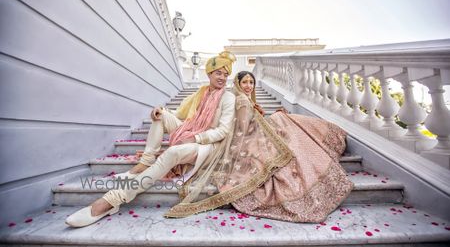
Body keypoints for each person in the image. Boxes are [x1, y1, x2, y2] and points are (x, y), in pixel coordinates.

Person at [65, 51, 237, 227]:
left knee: (173, 152)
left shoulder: (228, 97)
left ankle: (112, 200)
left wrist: (196, 137)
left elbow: (223, 130)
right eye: (218, 73)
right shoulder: (201, 93)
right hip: (191, 132)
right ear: (209, 73)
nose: (222, 77)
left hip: (208, 145)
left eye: (225, 74)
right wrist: (161, 110)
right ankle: (147, 162)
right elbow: (179, 114)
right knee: (161, 115)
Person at [164, 71, 353, 223]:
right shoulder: (240, 100)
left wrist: (264, 115)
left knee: (286, 124)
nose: (248, 86)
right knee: (285, 124)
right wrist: (266, 119)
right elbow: (244, 127)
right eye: (244, 82)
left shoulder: (246, 100)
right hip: (246, 139)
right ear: (238, 84)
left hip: (251, 133)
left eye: (251, 83)